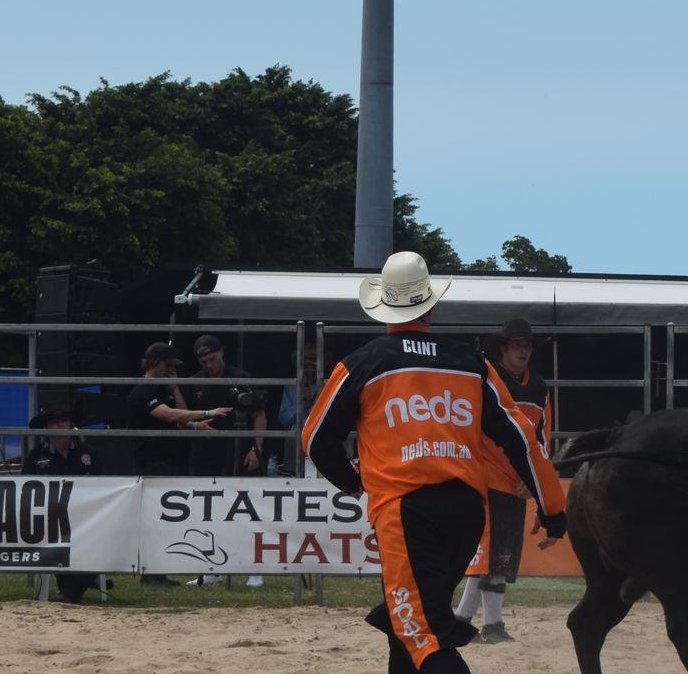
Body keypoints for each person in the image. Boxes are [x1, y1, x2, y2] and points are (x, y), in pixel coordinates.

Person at [303, 251, 565, 674]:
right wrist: (553, 508)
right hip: (465, 512)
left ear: (383, 305)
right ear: (431, 303)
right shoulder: (470, 362)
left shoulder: (364, 362)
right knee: (408, 622)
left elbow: (315, 437)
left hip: (405, 511)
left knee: (421, 633)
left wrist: (353, 483)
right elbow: (523, 439)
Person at [454, 318, 552, 644]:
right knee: (493, 555)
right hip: (486, 476)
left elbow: (542, 438)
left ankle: (463, 622)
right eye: (517, 345)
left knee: (496, 556)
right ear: (504, 348)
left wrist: (533, 479)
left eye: (528, 345)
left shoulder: (538, 387)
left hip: (515, 482)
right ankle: (490, 625)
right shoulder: (486, 379)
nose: (523, 350)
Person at [125, 341, 231, 586]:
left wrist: (192, 420)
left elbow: (180, 418)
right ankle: (150, 574)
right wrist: (206, 413)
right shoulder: (143, 391)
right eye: (168, 365)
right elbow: (170, 415)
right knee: (154, 519)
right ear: (155, 363)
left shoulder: (164, 389)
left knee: (166, 519)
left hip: (169, 458)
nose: (171, 370)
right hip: (150, 460)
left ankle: (158, 572)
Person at [185, 334, 269, 588]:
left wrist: (257, 449)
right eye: (204, 361)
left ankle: (256, 570)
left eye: (212, 358)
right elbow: (181, 416)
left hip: (241, 450)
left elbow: (260, 416)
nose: (210, 365)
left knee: (249, 511)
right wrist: (194, 424)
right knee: (209, 512)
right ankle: (210, 569)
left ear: (222, 352)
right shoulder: (193, 383)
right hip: (206, 453)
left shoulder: (241, 377)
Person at [22, 407, 111, 603]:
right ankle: (79, 585)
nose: (60, 424)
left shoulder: (88, 453)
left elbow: (104, 485)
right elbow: (24, 489)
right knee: (56, 539)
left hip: (88, 516)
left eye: (64, 420)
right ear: (46, 427)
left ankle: (72, 589)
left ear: (72, 424)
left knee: (94, 537)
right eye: (54, 421)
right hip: (49, 517)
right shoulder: (36, 456)